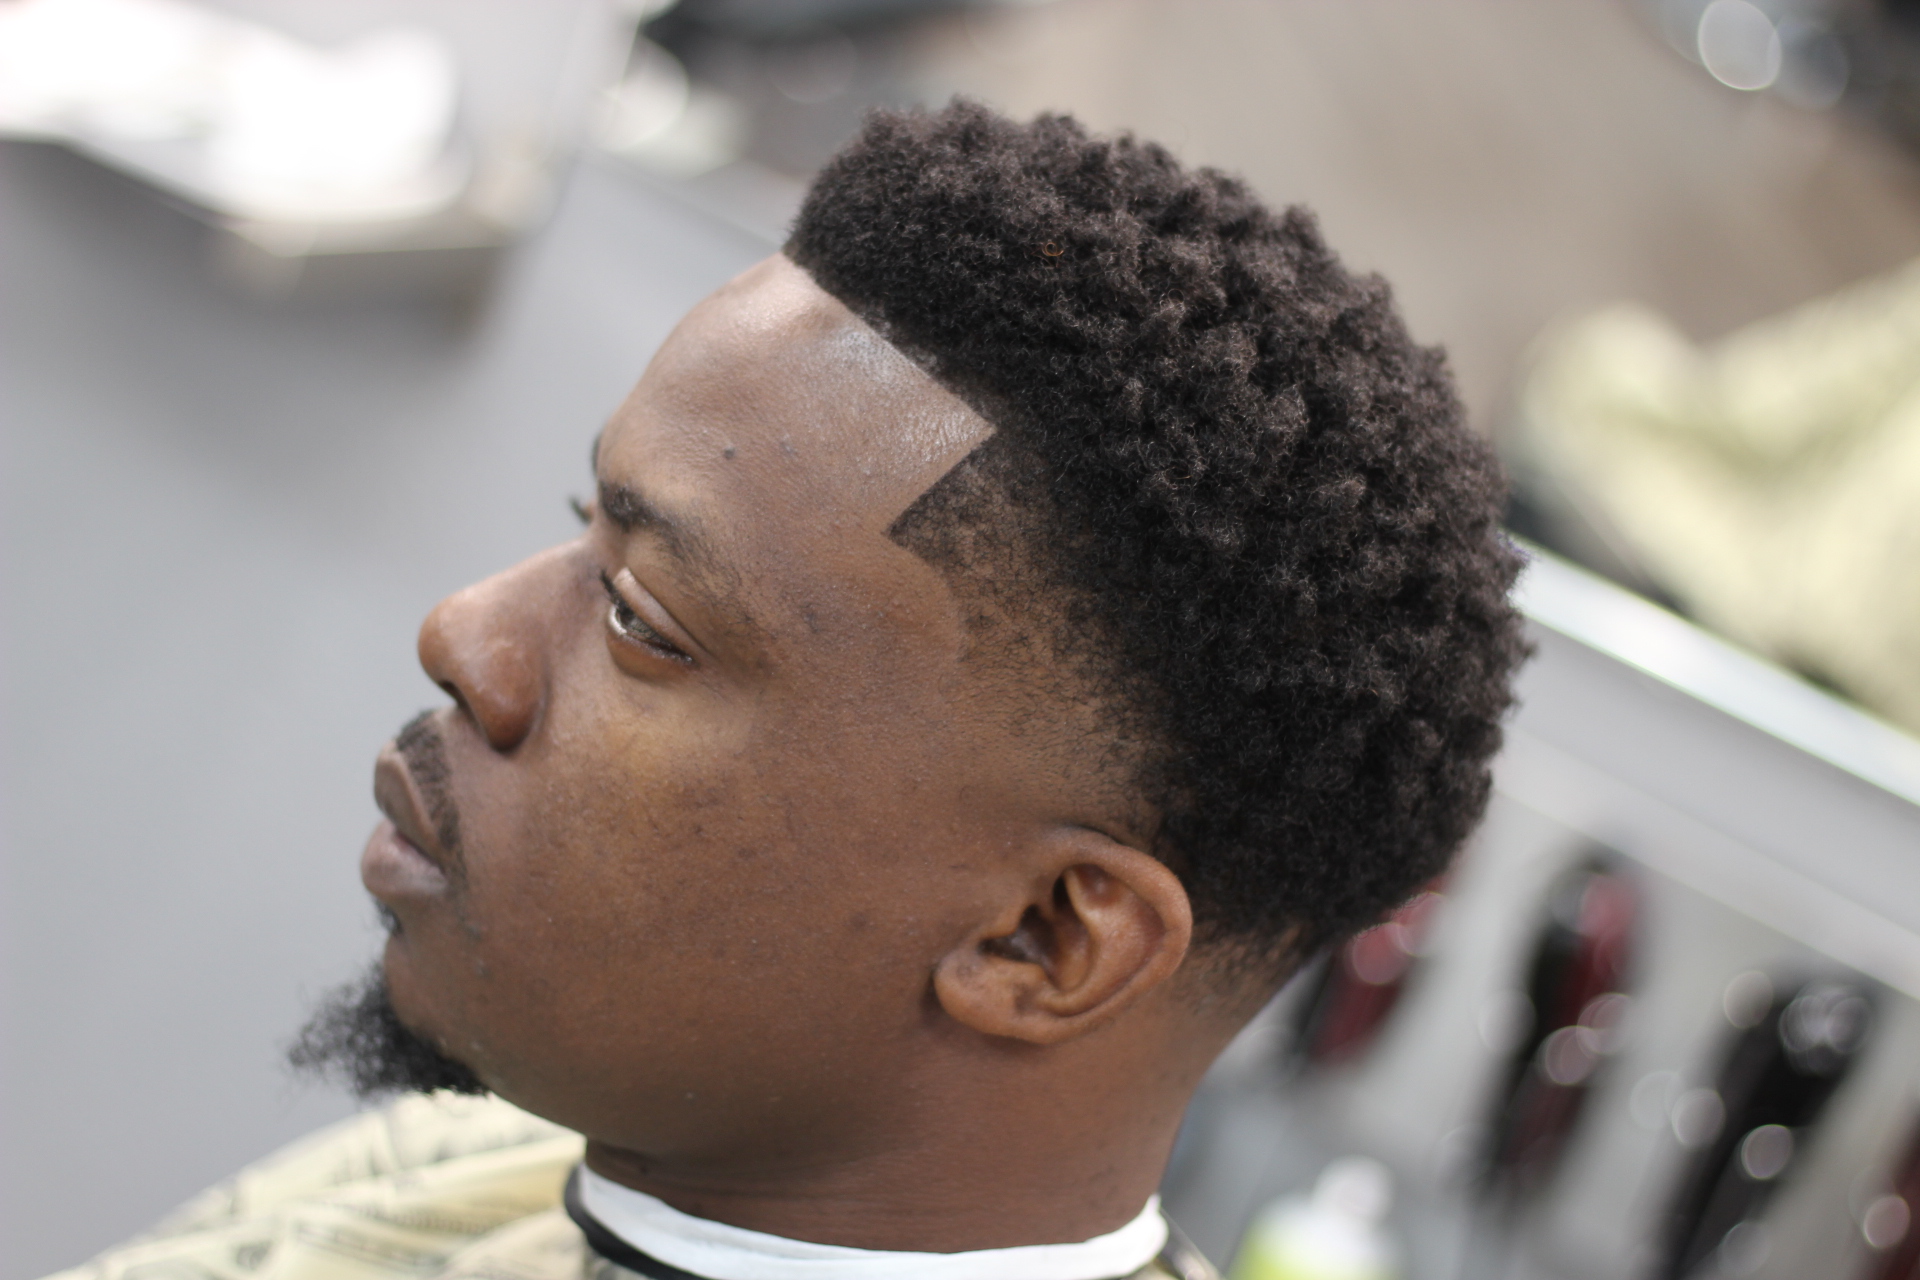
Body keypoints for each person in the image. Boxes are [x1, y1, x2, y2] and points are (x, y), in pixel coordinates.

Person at [46, 101, 1524, 1280]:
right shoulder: (481, 1183)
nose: (466, 635)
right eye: (582, 531)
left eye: (642, 622)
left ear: (1042, 939)